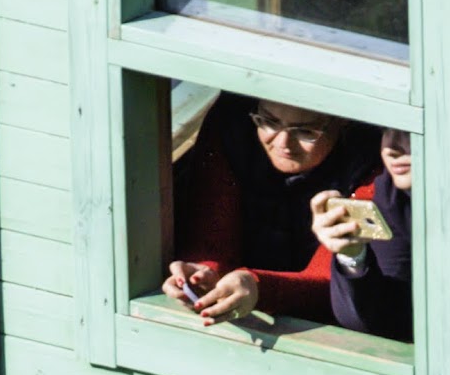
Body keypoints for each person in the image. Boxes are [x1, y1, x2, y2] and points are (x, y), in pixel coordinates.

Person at [163, 96, 382, 328]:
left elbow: (334, 282)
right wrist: (203, 273)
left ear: (343, 122)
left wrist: (259, 287)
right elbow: (211, 230)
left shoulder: (372, 162)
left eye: (306, 131)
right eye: (269, 121)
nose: (283, 142)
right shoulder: (233, 122)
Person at [314, 124, 414, 340]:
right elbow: (380, 319)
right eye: (387, 130)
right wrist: (352, 254)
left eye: (410, 131)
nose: (392, 148)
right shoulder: (392, 195)